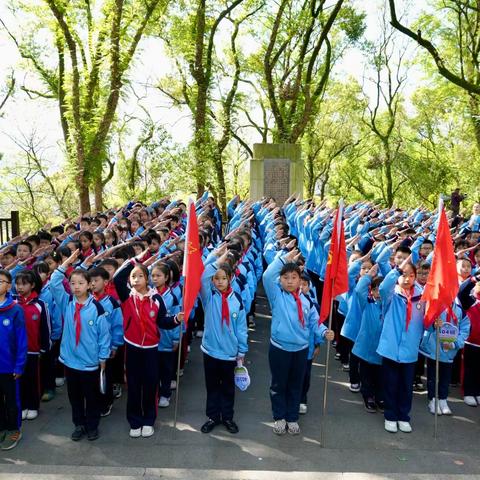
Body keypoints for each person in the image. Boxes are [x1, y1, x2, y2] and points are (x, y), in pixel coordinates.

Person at [263, 248, 334, 436]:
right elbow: (268, 275)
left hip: (301, 349)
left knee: (296, 384)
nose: (290, 281)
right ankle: (279, 416)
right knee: (279, 384)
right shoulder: (277, 296)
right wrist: (283, 259)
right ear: (281, 280)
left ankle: (292, 417)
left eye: (294, 277)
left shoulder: (307, 301)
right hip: (280, 348)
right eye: (285, 277)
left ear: (300, 280)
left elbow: (314, 323)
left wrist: (324, 331)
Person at [113, 257, 183, 438]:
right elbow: (117, 279)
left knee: (151, 385)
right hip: (133, 348)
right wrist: (134, 261)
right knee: (134, 385)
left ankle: (148, 420)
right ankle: (135, 421)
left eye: (140, 276)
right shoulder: (127, 296)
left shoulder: (157, 299)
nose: (136, 280)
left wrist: (176, 320)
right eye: (133, 277)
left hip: (152, 349)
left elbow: (162, 321)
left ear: (147, 279)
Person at [50, 249, 111, 442]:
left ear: (89, 285)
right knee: (74, 397)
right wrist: (67, 263)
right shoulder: (66, 302)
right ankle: (79, 424)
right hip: (70, 360)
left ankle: (92, 426)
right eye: (73, 283)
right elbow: (53, 282)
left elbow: (104, 336)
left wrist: (103, 358)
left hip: (90, 361)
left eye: (81, 283)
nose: (76, 287)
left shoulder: (97, 308)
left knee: (91, 397)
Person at [199, 245, 248, 434]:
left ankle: (227, 417)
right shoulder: (208, 297)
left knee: (228, 387)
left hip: (230, 353)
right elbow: (202, 274)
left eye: (223, 278)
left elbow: (241, 328)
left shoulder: (237, 301)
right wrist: (218, 257)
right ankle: (212, 416)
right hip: (210, 350)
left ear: (230, 279)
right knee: (212, 386)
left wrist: (241, 350)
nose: (219, 282)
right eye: (216, 279)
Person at [376, 257, 429, 433]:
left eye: (411, 275)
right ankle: (390, 415)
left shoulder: (422, 297)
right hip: (390, 348)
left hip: (410, 349)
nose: (407, 279)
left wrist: (433, 323)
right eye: (404, 275)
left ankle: (403, 415)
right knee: (390, 383)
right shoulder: (391, 294)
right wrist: (397, 270)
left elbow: (426, 320)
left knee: (406, 385)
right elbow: (383, 287)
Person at [419, 302, 470, 415]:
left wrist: (455, 343)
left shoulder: (460, 310)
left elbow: (465, 328)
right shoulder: (435, 306)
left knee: (445, 378)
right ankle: (432, 399)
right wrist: (433, 324)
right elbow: (425, 323)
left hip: (449, 351)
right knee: (432, 377)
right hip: (434, 348)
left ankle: (443, 400)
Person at [14, 270, 51, 421]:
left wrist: (44, 348)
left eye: (24, 284)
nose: (20, 287)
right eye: (17, 284)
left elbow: (45, 328)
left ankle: (33, 406)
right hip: (16, 352)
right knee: (19, 380)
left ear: (33, 285)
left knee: (33, 379)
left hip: (34, 351)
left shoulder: (41, 305)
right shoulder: (13, 303)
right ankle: (22, 406)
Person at [89, 267, 123, 417]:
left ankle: (106, 402)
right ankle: (94, 401)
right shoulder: (87, 300)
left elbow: (117, 326)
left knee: (105, 376)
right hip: (89, 348)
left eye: (96, 281)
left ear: (106, 282)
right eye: (90, 281)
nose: (93, 284)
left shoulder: (112, 303)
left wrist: (115, 345)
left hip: (107, 348)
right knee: (92, 377)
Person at [0, 269, 27, 450]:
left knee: (12, 400)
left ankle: (14, 429)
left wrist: (19, 365)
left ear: (9, 286)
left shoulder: (15, 309)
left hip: (9, 366)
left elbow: (21, 340)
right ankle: (2, 426)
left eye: (1, 281)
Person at [351, 265, 384, 413]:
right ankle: (368, 396)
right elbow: (358, 290)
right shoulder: (367, 304)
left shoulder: (390, 307)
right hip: (365, 348)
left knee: (379, 375)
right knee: (366, 374)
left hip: (381, 350)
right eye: (376, 289)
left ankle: (379, 396)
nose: (379, 293)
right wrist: (368, 276)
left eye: (382, 290)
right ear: (372, 291)